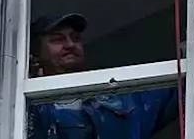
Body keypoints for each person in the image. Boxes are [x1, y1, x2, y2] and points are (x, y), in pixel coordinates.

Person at [27, 13, 179, 139]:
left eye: (76, 38)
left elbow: (181, 90)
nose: (70, 45)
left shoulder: (119, 101)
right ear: (36, 52)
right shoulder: (25, 105)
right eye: (57, 40)